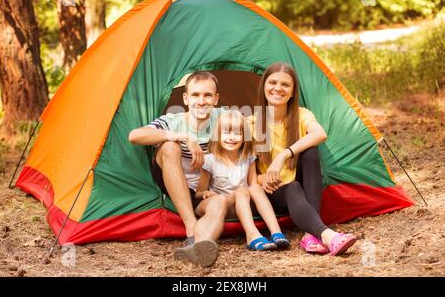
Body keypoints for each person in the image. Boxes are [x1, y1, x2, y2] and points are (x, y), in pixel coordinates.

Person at [249, 62, 357, 256]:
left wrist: (283, 155)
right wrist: (261, 179)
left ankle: (312, 234)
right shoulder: (253, 123)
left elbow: (320, 134)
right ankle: (327, 234)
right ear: (264, 86)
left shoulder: (301, 115)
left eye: (285, 85)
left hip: (298, 183)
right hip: (272, 190)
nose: (278, 88)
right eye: (272, 82)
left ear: (292, 92)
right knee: (293, 188)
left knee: (310, 151)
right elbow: (243, 170)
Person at [128, 71, 227, 267]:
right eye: (196, 95)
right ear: (186, 98)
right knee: (169, 145)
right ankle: (191, 230)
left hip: (202, 191)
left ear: (215, 99)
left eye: (207, 95)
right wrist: (182, 136)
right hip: (173, 182)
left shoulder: (224, 118)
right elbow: (135, 136)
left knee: (220, 202)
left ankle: (199, 246)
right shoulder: (173, 119)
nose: (201, 101)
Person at [196, 110, 290, 251]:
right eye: (226, 133)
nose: (231, 138)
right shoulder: (210, 160)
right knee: (241, 191)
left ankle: (276, 232)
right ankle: (251, 234)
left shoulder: (248, 158)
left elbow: (253, 185)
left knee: (253, 188)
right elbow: (198, 193)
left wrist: (265, 183)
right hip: (223, 205)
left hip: (244, 204)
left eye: (237, 133)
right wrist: (205, 194)